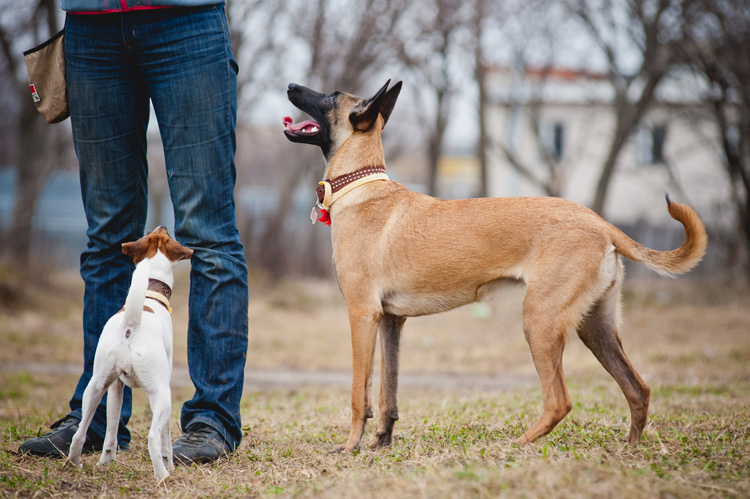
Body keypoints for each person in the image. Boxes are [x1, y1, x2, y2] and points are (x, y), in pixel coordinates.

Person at [18, 0, 249, 465]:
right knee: (107, 238)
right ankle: (96, 417)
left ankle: (212, 421)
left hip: (188, 20)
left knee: (207, 235)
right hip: (91, 26)